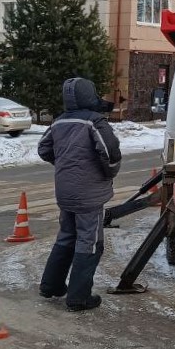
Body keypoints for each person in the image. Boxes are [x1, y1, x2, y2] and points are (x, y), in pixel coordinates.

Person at [38, 76, 122, 311]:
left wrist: (64, 165)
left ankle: (51, 285)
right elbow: (111, 153)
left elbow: (43, 149)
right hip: (89, 193)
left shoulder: (58, 123)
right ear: (89, 95)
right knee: (90, 242)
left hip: (65, 191)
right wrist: (108, 173)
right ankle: (78, 297)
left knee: (66, 235)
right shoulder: (94, 122)